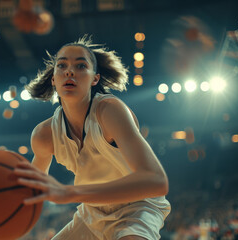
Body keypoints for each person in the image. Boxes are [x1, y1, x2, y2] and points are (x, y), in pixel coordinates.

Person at [13, 36, 171, 240]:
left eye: (80, 66)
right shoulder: (44, 135)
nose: (69, 71)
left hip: (139, 207)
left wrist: (71, 193)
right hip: (92, 214)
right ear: (53, 78)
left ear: (94, 78)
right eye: (61, 65)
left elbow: (156, 181)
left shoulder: (109, 111)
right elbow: (33, 192)